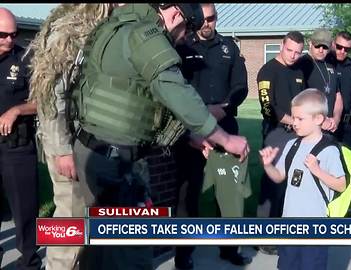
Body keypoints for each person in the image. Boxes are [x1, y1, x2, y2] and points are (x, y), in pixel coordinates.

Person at [70, 4, 250, 270]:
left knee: (102, 252)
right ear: (176, 15)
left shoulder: (117, 26)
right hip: (116, 162)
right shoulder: (146, 35)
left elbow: (141, 101)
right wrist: (224, 138)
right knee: (133, 255)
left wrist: (189, 134)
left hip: (97, 152)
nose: (183, 37)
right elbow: (174, 90)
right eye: (186, 29)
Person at [26, 4, 116, 270]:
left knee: (91, 223)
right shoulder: (72, 27)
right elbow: (51, 91)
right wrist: (62, 149)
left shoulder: (105, 24)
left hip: (96, 142)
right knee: (70, 221)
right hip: (71, 143)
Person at [174, 3, 250, 268]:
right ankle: (184, 254)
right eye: (204, 19)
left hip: (224, 125)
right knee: (188, 193)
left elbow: (241, 87)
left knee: (228, 191)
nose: (208, 23)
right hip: (191, 129)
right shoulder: (183, 46)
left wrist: (224, 109)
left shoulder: (229, 48)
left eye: (212, 18)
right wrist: (201, 115)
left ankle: (228, 249)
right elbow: (176, 87)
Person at [259, 89, 346, 270]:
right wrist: (268, 165)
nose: (295, 123)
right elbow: (280, 176)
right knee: (286, 265)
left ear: (318, 119)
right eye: (293, 118)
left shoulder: (329, 150)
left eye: (300, 119)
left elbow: (341, 184)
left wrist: (317, 170)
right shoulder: (291, 145)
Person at [0, 7, 41, 270]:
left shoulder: (26, 58)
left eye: (13, 35)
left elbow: (44, 100)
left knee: (26, 213)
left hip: (17, 149)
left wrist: (17, 110)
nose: (10, 40)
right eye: (3, 35)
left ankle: (29, 262)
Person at [256, 32, 305, 254]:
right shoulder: (268, 71)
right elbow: (269, 108)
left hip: (296, 134)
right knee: (272, 184)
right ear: (281, 46)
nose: (293, 56)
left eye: (298, 52)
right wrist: (294, 122)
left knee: (289, 184)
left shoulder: (298, 70)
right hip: (275, 133)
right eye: (290, 50)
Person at [297, 28, 343, 133]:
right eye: (317, 46)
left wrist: (336, 119)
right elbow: (299, 100)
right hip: (310, 127)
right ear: (310, 44)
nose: (321, 50)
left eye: (325, 47)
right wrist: (321, 121)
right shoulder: (302, 64)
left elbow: (338, 95)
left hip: (330, 127)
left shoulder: (331, 64)